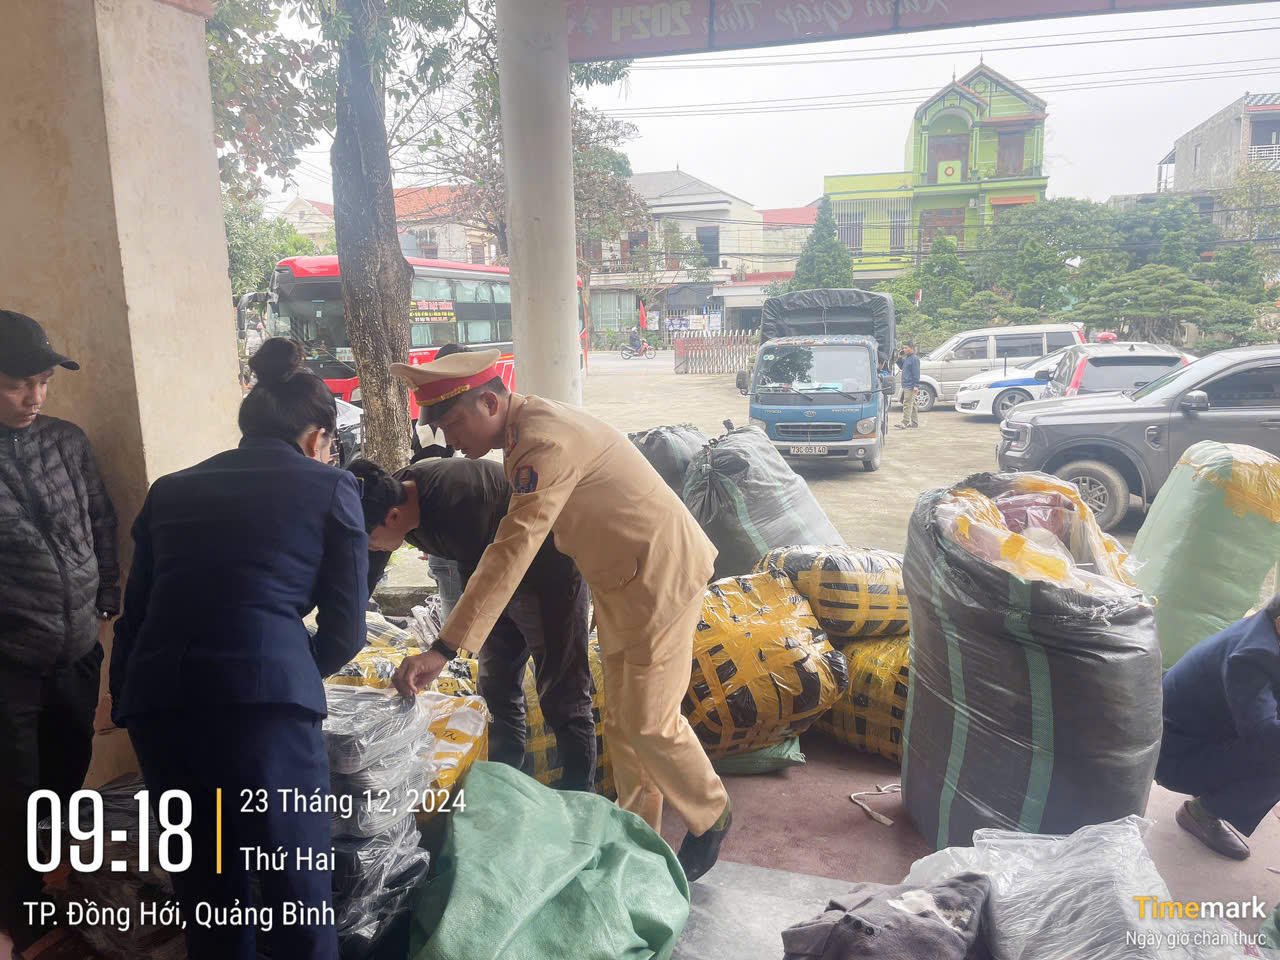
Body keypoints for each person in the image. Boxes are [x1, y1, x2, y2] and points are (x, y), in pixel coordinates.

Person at [387, 349, 732, 882]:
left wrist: (445, 647)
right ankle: (637, 835)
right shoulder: (521, 433)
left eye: (452, 422)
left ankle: (712, 813)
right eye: (438, 426)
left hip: (661, 575)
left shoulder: (540, 442)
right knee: (622, 720)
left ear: (488, 400)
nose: (448, 438)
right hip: (624, 580)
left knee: (649, 719)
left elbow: (512, 547)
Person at [109, 338, 368, 960]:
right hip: (264, 710)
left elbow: (135, 614)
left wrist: (128, 700)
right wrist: (287, 671)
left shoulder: (171, 489)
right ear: (316, 437)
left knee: (210, 882)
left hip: (162, 705)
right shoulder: (330, 488)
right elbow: (345, 629)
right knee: (293, 879)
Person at [348, 457, 596, 790]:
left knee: (563, 693)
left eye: (368, 539)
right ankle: (506, 785)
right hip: (491, 577)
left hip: (548, 577)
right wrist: (346, 625)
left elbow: (483, 587)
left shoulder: (458, 499)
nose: (370, 547)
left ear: (393, 518)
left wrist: (440, 652)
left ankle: (581, 798)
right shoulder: (385, 496)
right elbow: (368, 568)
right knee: (496, 686)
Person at [0, 311, 119, 950]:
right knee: (15, 790)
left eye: (43, 381)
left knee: (68, 771)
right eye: (19, 383)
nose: (34, 397)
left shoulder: (66, 441)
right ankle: (18, 917)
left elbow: (99, 517)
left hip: (75, 648)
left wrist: (106, 600)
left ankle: (56, 886)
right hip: (9, 663)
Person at [1154, 594, 1280, 861]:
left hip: (1193, 733)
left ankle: (1231, 792)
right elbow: (1266, 738)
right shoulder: (1252, 656)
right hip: (1175, 756)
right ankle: (1203, 812)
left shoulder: (1265, 629)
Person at [897, 342, 921, 430]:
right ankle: (914, 423)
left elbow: (916, 373)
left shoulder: (914, 359)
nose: (904, 350)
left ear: (911, 348)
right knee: (912, 404)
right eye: (903, 348)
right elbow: (902, 367)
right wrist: (899, 357)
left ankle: (904, 422)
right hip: (906, 384)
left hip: (910, 385)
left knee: (907, 403)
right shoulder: (907, 358)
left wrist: (916, 385)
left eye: (906, 348)